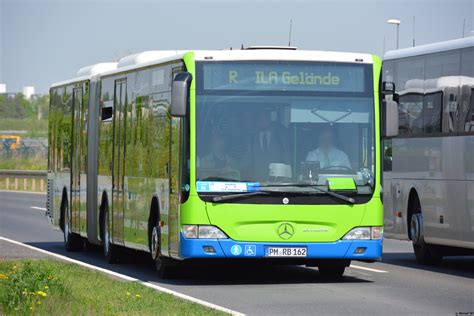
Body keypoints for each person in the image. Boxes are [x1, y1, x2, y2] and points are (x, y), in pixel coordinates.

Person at [250, 109, 290, 180]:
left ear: (269, 119)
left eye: (264, 118)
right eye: (259, 119)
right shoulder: (252, 138)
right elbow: (248, 157)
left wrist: (286, 177)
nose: (261, 121)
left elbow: (286, 156)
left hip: (277, 178)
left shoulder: (280, 136)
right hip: (258, 178)